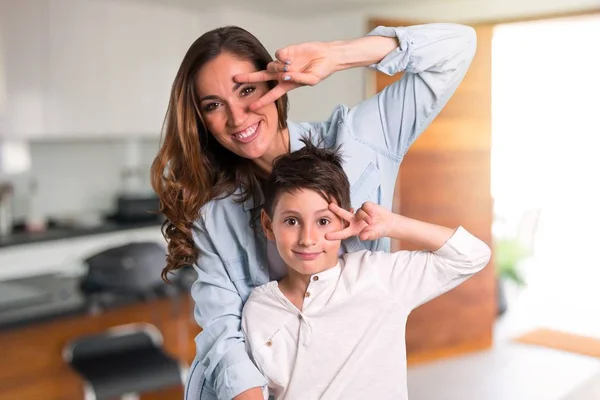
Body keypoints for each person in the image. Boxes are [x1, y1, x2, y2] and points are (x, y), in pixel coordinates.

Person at [150, 22, 477, 400]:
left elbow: (457, 47)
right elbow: (224, 329)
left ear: (273, 85)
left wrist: (337, 55)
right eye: (213, 105)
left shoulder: (361, 139)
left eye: (247, 90)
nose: (238, 118)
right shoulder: (213, 209)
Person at [241, 140, 492, 400]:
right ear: (268, 225)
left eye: (323, 221)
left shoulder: (377, 275)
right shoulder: (258, 309)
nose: (308, 238)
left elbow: (473, 255)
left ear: (345, 219)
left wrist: (391, 224)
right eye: (292, 221)